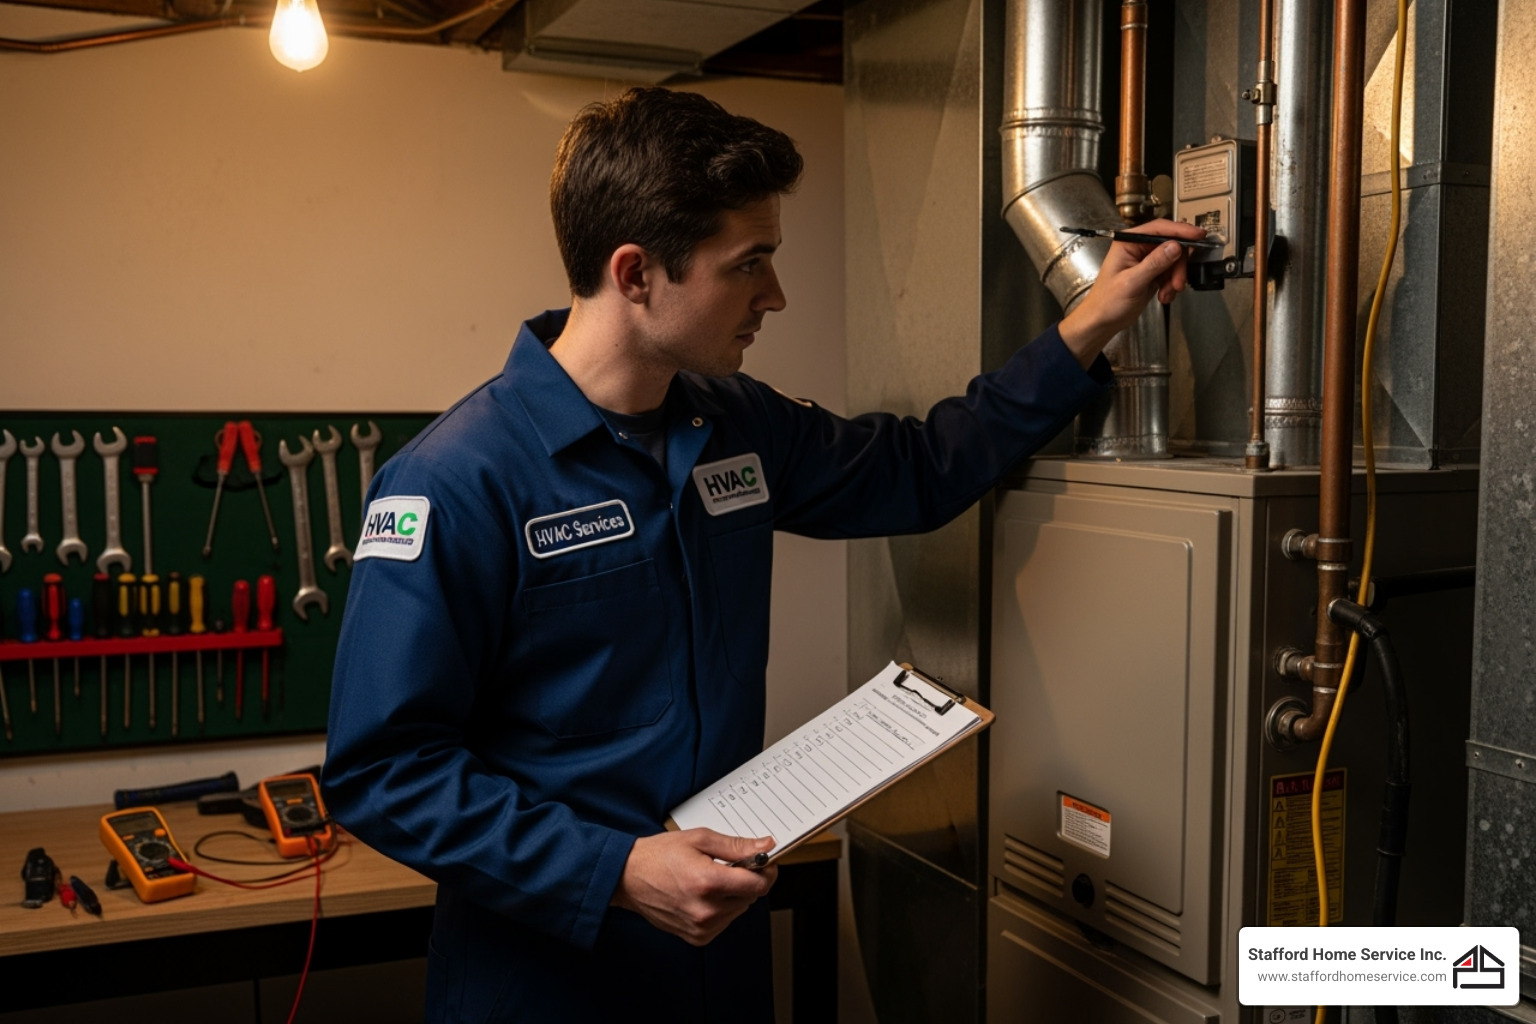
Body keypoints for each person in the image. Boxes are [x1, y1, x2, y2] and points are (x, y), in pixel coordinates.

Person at [322, 86, 1203, 1023]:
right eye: (750, 266)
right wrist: (613, 869)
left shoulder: (730, 423)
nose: (775, 296)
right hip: (552, 979)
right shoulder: (454, 482)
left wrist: (1093, 320)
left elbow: (919, 469)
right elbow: (383, 772)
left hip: (719, 963)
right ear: (635, 274)